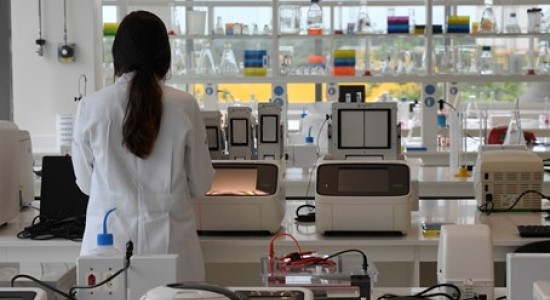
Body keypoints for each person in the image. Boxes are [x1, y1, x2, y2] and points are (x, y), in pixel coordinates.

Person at [71, 10, 214, 281]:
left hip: (106, 250)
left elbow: (87, 184)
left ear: (118, 55)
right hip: (174, 251)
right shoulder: (184, 106)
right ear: (164, 55)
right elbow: (202, 184)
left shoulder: (91, 106)